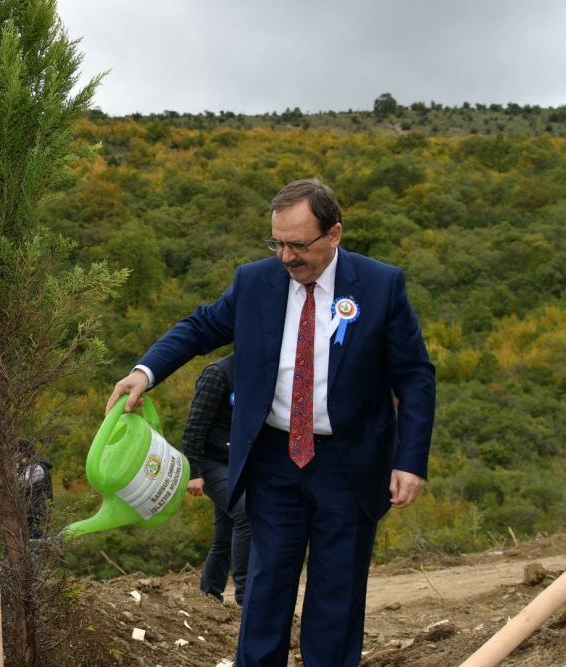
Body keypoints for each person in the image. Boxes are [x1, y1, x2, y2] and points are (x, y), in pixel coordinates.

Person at [106, 179, 436, 667]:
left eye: (298, 244)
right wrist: (144, 371)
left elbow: (415, 376)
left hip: (349, 465)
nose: (286, 257)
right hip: (273, 461)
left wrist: (411, 461)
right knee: (264, 590)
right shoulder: (254, 281)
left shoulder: (382, 285)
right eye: (277, 243)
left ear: (334, 234)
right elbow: (199, 327)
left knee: (336, 596)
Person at [182, 353, 251, 605]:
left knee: (226, 532)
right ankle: (246, 597)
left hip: (240, 464)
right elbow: (194, 426)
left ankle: (209, 597)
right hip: (212, 463)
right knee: (246, 512)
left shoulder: (261, 371)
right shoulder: (217, 373)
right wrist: (195, 473)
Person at [18, 438, 53, 539]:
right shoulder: (31, 467)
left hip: (34, 519)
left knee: (31, 550)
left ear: (22, 453)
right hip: (30, 518)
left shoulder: (37, 468)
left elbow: (18, 484)